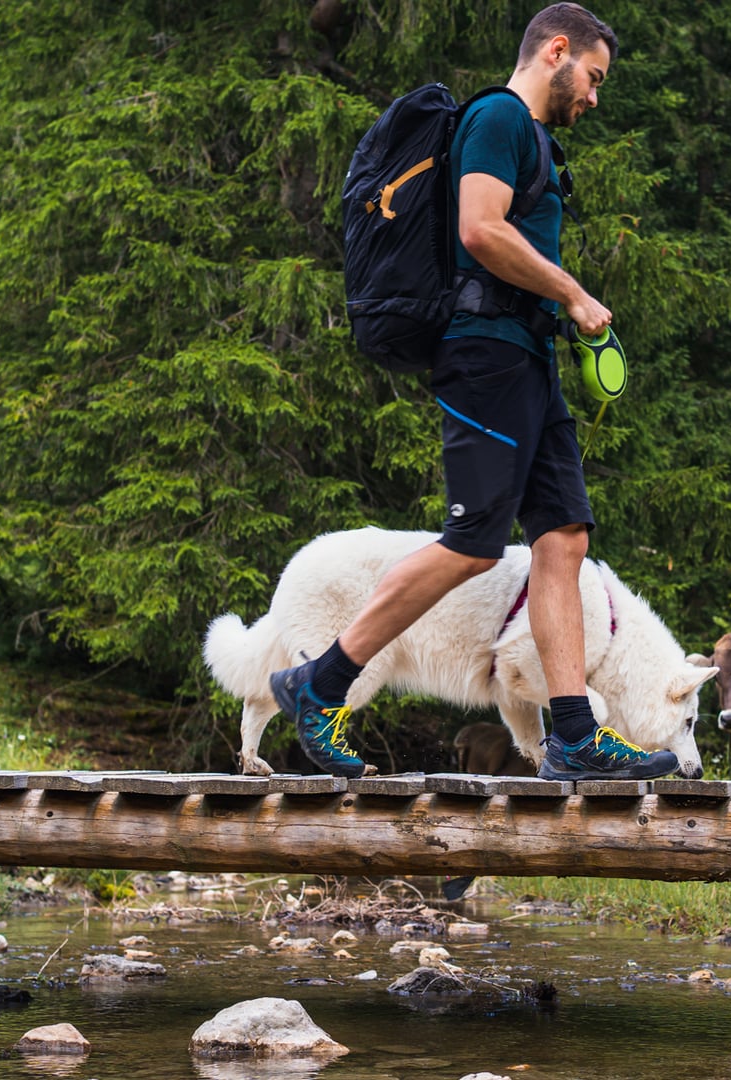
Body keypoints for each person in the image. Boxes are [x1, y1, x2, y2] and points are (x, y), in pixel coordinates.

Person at [270, 4, 677, 782]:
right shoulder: (496, 117)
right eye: (592, 77)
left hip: (529, 359)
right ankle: (317, 687)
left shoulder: (539, 142)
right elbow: (479, 229)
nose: (594, 96)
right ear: (556, 51)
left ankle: (572, 735)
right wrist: (574, 293)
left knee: (564, 540)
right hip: (484, 356)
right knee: (474, 543)